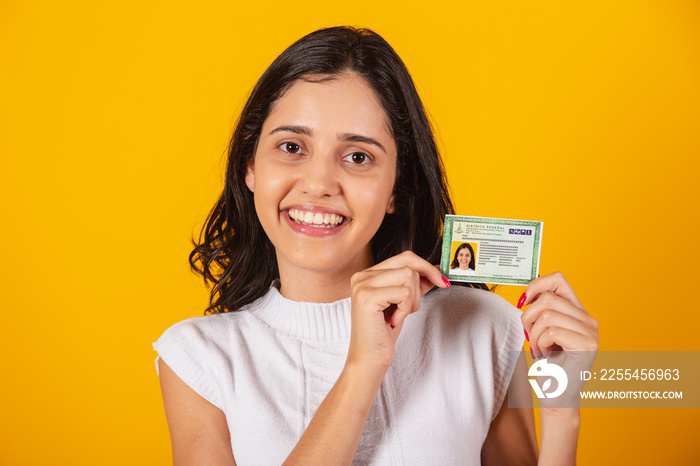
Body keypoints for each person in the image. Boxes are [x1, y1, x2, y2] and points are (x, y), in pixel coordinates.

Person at [153, 26, 599, 465]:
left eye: (358, 157)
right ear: (250, 166)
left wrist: (562, 416)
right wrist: (362, 368)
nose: (319, 184)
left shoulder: (480, 330)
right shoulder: (198, 360)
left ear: (396, 191)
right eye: (292, 146)